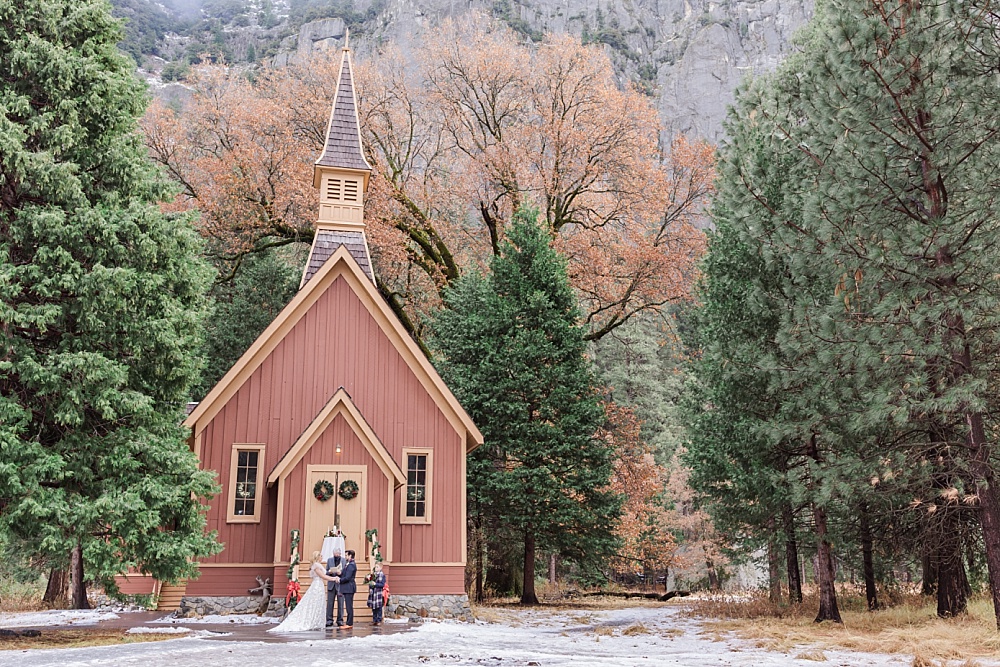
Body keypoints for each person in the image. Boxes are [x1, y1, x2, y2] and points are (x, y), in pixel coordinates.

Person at [268, 551, 336, 633]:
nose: (322, 557)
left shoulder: (317, 565)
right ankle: (312, 621)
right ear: (317, 557)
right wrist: (334, 579)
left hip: (319, 584)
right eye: (320, 556)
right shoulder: (316, 566)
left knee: (318, 603)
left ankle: (316, 621)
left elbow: (325, 573)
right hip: (317, 585)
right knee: (314, 602)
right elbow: (323, 576)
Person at [334, 549, 357, 628]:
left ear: (350, 556)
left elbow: (347, 577)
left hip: (349, 587)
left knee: (349, 606)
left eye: (347, 555)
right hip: (347, 587)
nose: (345, 557)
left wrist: (340, 580)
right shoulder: (348, 564)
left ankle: (349, 623)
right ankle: (348, 622)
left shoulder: (351, 565)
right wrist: (340, 574)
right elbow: (345, 574)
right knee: (347, 606)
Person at [325, 548, 343, 628]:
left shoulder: (344, 560)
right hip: (331, 584)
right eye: (335, 554)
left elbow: (346, 572)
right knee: (330, 603)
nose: (336, 556)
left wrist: (341, 573)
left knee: (341, 603)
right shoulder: (329, 560)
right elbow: (326, 572)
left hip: (340, 585)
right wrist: (330, 572)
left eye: (337, 554)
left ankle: (340, 620)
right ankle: (329, 620)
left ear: (340, 554)